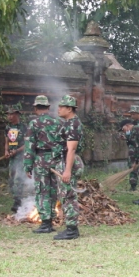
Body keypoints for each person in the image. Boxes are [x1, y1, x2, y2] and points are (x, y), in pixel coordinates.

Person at [23, 95, 62, 234]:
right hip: (55, 160)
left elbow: (30, 146)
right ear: (48, 107)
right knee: (53, 190)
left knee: (42, 191)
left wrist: (28, 166)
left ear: (35, 108)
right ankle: (51, 219)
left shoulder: (34, 123)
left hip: (41, 160)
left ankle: (45, 223)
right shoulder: (57, 122)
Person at [53, 95, 83, 241]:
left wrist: (67, 170)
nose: (58, 109)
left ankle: (72, 230)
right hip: (64, 161)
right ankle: (70, 227)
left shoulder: (73, 125)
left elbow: (71, 149)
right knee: (65, 195)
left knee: (68, 196)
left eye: (61, 107)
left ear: (69, 109)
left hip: (68, 162)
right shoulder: (68, 123)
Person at [3, 103, 27, 213]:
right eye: (8, 114)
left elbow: (27, 144)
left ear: (17, 114)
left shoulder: (24, 127)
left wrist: (17, 151)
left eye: (11, 114)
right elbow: (7, 141)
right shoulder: (8, 127)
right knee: (11, 178)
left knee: (19, 178)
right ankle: (15, 197)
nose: (9, 116)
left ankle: (18, 201)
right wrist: (6, 151)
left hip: (21, 156)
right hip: (12, 157)